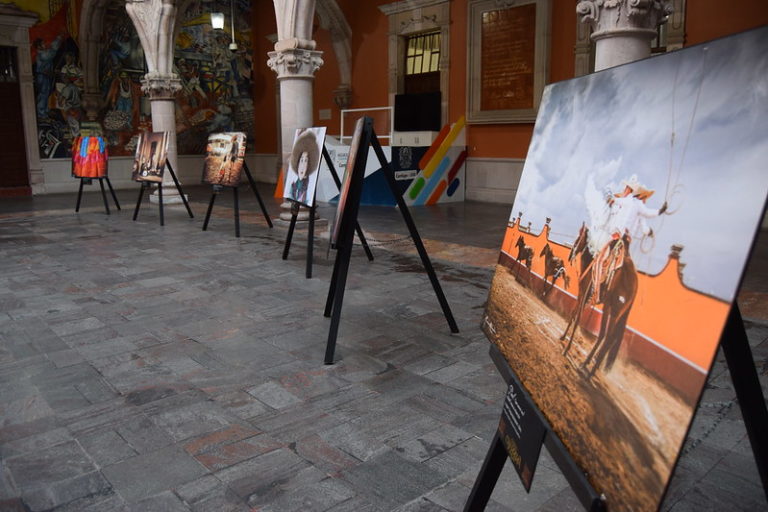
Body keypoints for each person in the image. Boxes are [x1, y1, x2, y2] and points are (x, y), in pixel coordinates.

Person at [590, 175, 668, 303]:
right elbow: (645, 224)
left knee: (600, 260)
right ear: (641, 195)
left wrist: (611, 197)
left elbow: (642, 219)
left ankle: (596, 292)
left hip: (618, 238)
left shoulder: (632, 203)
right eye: (645, 197)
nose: (646, 200)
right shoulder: (637, 205)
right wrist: (652, 227)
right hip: (625, 241)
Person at [285, 130, 320, 205]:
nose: (302, 166)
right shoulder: (293, 186)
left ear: (309, 165)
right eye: (301, 160)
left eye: (306, 161)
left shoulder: (309, 189)